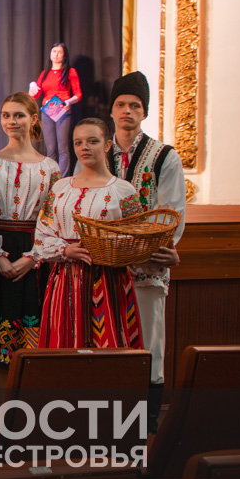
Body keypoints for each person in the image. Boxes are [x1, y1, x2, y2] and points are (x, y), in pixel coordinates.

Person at [107, 71, 185, 430]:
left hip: (147, 265)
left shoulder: (164, 156)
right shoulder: (96, 150)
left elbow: (172, 212)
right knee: (107, 337)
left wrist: (159, 248)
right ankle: (108, 415)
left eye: (135, 105)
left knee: (149, 339)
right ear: (111, 111)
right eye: (121, 104)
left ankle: (148, 419)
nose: (127, 111)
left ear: (145, 112)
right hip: (105, 263)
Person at [34, 118, 143, 349]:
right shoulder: (60, 187)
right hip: (65, 278)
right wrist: (65, 249)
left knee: (105, 341)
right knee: (64, 342)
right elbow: (42, 231)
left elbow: (137, 235)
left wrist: (107, 248)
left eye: (93, 141)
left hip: (107, 280)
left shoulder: (123, 190)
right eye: (78, 142)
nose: (84, 147)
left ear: (107, 145)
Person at [0, 94, 61, 372]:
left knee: (30, 320)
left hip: (32, 249)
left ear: (33, 119)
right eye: (6, 115)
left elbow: (52, 217)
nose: (11, 121)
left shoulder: (50, 167)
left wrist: (33, 257)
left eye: (19, 115)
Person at [30, 43, 82, 175]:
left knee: (63, 149)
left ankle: (62, 178)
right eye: (54, 51)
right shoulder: (45, 73)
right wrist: (32, 86)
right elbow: (35, 95)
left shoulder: (70, 72)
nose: (56, 54)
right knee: (51, 149)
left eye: (59, 52)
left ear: (64, 56)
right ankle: (51, 176)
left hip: (62, 110)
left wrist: (68, 101)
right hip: (47, 112)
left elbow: (78, 94)